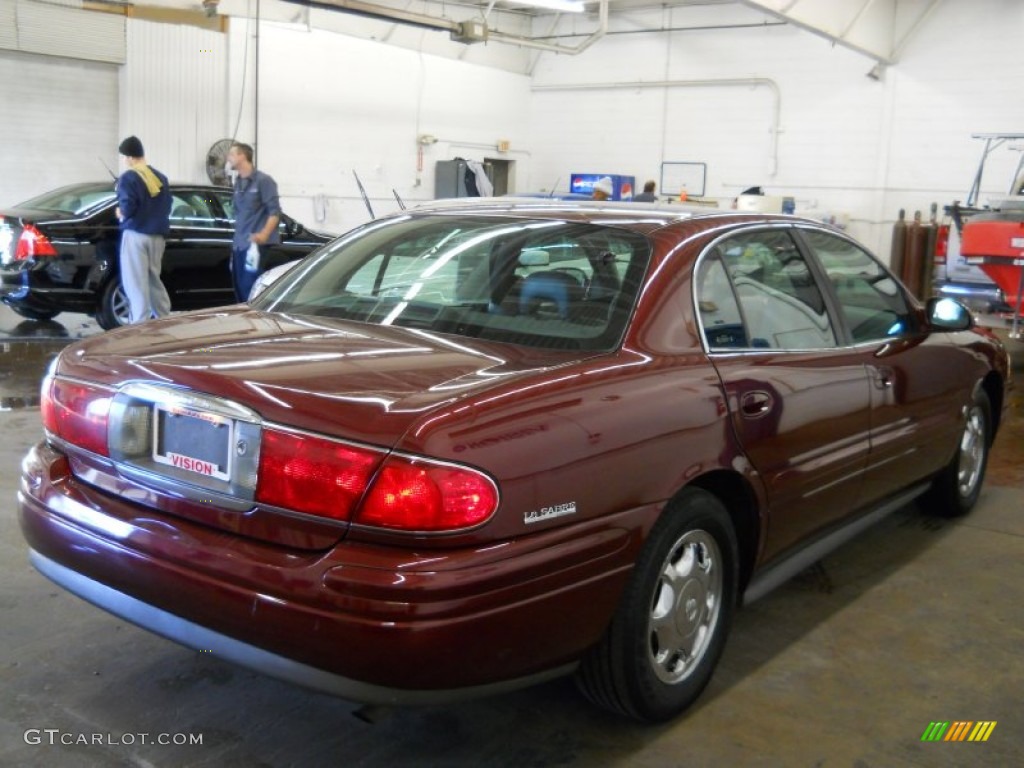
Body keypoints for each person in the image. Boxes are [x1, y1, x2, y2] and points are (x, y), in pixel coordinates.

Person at [115, 135, 172, 324]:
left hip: (136, 235)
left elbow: (128, 207)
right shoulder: (160, 177)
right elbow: (167, 205)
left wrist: (120, 212)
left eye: (124, 157)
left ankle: (138, 328)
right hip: (158, 237)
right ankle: (164, 320)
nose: (124, 161)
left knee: (135, 284)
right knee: (153, 280)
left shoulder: (129, 177)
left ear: (131, 157)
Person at [227, 142, 281, 301]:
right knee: (238, 288)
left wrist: (264, 234)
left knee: (250, 288)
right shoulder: (238, 183)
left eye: (231, 154)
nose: (228, 158)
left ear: (242, 156)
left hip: (255, 246)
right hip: (239, 244)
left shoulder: (263, 181)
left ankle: (255, 322)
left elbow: (275, 212)